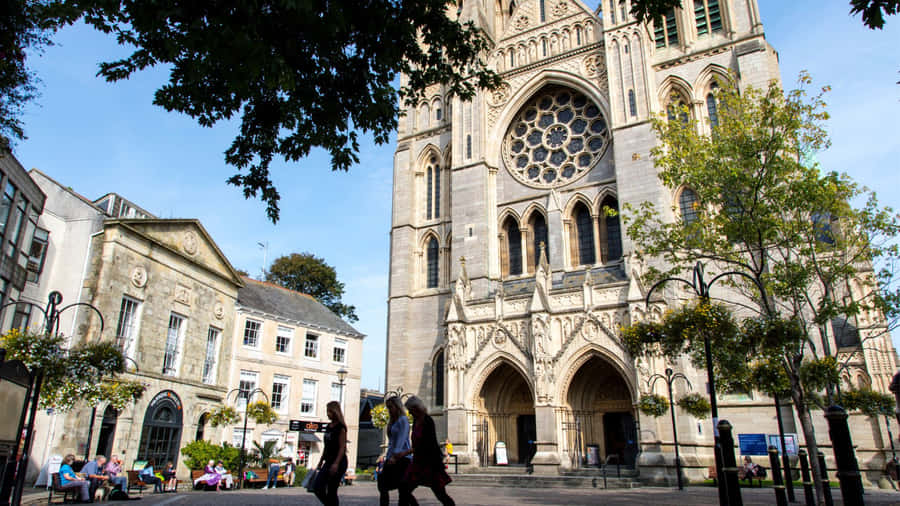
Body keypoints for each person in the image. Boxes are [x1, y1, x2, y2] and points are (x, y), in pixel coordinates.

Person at [401, 396, 454, 506]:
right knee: (404, 490)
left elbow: (428, 444)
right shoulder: (416, 421)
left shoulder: (427, 421)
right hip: (418, 462)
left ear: (416, 408)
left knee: (441, 495)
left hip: (429, 464)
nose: (409, 413)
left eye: (410, 410)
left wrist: (405, 452)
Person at [377, 396, 415, 506]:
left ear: (397, 406)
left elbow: (401, 440)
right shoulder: (393, 421)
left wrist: (394, 457)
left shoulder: (403, 420)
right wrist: (387, 456)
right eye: (388, 408)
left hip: (401, 459)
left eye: (390, 407)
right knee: (385, 486)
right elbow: (391, 443)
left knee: (401, 490)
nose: (389, 410)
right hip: (393, 457)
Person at [314, 401, 348, 505]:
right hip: (328, 460)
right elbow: (326, 446)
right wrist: (320, 461)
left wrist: (336, 463)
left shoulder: (341, 428)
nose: (327, 414)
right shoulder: (328, 427)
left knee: (332, 490)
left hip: (338, 461)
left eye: (329, 411)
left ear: (334, 412)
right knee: (317, 487)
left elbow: (342, 447)